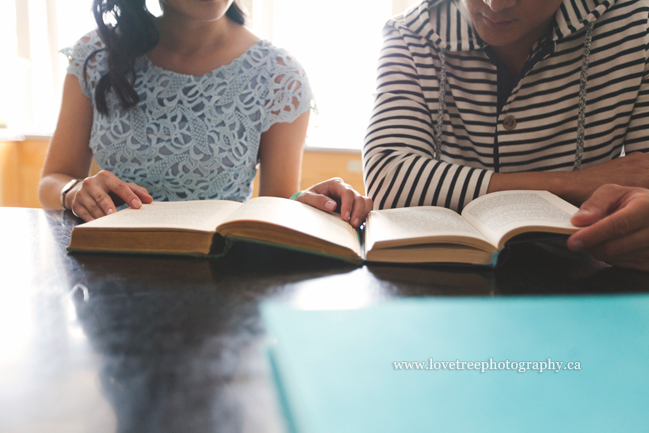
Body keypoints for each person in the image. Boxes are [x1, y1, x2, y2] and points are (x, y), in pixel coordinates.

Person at [363, 0, 649, 271]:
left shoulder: (638, 24)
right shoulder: (411, 33)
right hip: (449, 276)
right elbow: (388, 181)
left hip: (592, 283)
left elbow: (642, 179)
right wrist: (575, 183)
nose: (495, 5)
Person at [39, 0, 372, 228]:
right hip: (106, 273)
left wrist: (312, 201)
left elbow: (276, 204)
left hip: (219, 284)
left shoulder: (279, 74)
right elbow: (53, 179)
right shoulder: (95, 55)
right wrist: (73, 192)